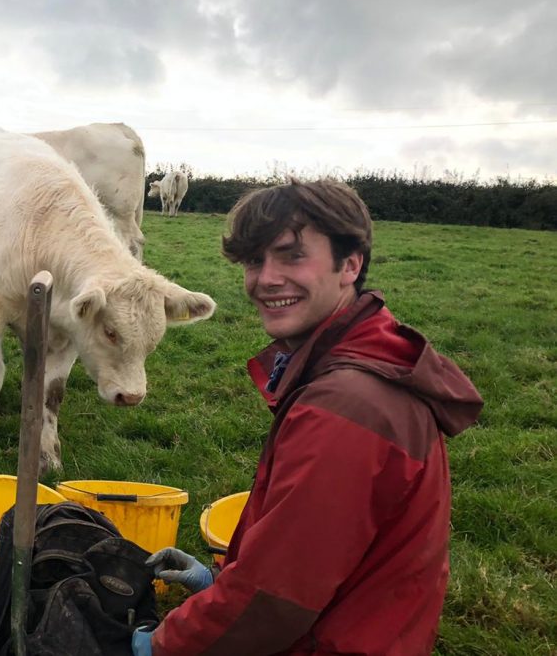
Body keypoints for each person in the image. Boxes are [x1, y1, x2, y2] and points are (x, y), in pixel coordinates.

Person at [132, 178, 483, 656]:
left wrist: (166, 646)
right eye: (255, 261)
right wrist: (216, 580)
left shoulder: (346, 406)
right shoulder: (351, 366)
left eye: (292, 256)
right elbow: (313, 555)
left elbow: (275, 599)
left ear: (350, 265)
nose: (266, 278)